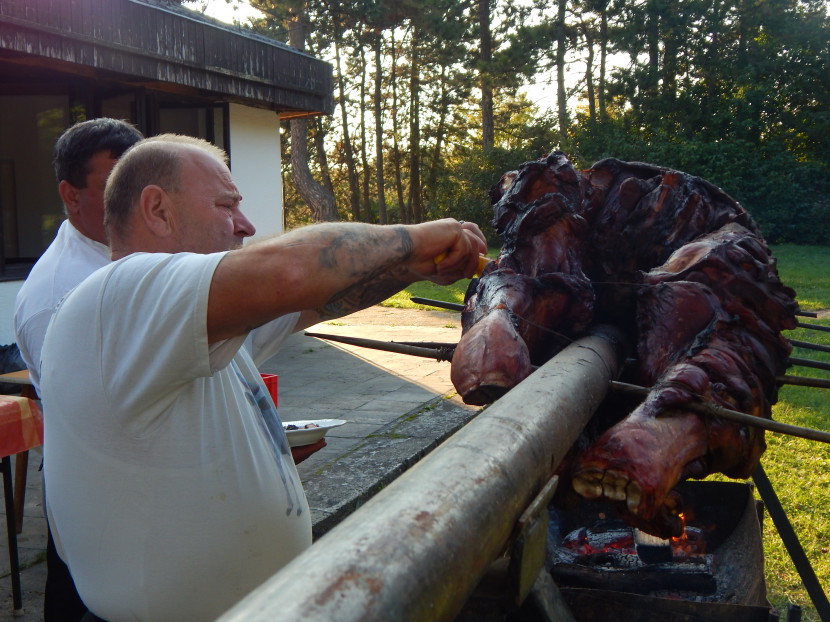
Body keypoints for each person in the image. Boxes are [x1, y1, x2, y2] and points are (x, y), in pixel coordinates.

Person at [39, 134, 486, 622]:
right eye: (227, 205)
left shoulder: (199, 317)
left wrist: (412, 266)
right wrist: (417, 238)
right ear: (157, 209)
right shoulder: (117, 295)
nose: (245, 225)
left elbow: (322, 295)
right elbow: (290, 274)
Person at [13, 118, 144, 622]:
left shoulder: (132, 253)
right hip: (101, 485)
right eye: (116, 185)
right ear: (71, 195)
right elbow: (96, 417)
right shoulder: (59, 295)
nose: (136, 199)